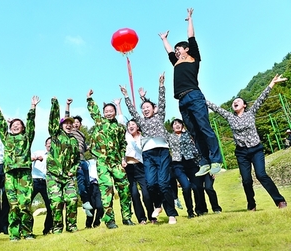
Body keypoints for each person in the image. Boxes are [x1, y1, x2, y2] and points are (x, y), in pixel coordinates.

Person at [206, 74, 288, 210]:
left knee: (261, 175)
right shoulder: (230, 117)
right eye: (234, 101)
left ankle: (279, 201)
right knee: (246, 180)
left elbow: (262, 98)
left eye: (238, 101)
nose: (235, 102)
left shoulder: (251, 113)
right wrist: (199, 97)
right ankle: (251, 205)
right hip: (241, 152)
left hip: (256, 149)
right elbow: (216, 108)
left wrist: (272, 83)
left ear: (244, 105)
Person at [158, 8, 222, 177]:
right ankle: (204, 162)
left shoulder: (194, 57)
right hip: (182, 100)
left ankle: (216, 159)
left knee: (204, 128)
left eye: (179, 49)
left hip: (194, 95)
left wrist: (190, 19)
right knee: (193, 132)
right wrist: (165, 40)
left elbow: (191, 37)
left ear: (186, 50)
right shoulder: (176, 62)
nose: (177, 51)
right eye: (176, 49)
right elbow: (169, 51)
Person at [120, 73, 178, 225]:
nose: (145, 110)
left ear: (154, 109)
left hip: (163, 152)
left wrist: (161, 85)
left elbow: (162, 101)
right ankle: (158, 206)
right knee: (151, 184)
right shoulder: (141, 122)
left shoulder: (159, 117)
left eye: (148, 107)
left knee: (164, 183)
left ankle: (171, 214)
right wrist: (126, 95)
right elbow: (132, 111)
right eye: (143, 108)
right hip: (148, 154)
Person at [0, 95, 40, 240]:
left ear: (23, 127)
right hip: (10, 175)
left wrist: (33, 107)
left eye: (18, 124)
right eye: (13, 124)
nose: (15, 126)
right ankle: (14, 234)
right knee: (13, 205)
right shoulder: (6, 137)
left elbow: (31, 123)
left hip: (24, 174)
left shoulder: (27, 137)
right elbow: (1, 123)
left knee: (25, 204)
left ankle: (27, 232)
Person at [87, 90, 134, 229]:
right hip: (102, 163)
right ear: (103, 113)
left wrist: (123, 159)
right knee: (107, 191)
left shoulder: (120, 128)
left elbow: (122, 145)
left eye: (111, 110)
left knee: (125, 189)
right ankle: (110, 221)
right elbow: (93, 111)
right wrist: (89, 98)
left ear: (114, 112)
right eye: (106, 111)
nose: (108, 113)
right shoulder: (99, 122)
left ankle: (127, 218)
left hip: (116, 163)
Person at [114, 98, 155, 225]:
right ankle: (141, 219)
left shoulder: (143, 137)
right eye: (129, 125)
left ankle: (152, 216)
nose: (130, 126)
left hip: (141, 167)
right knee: (134, 194)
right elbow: (121, 120)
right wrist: (118, 105)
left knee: (146, 194)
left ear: (138, 126)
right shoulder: (126, 136)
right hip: (128, 168)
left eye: (133, 125)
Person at [47, 97, 80, 233]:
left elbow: (77, 159)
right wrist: (55, 104)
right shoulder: (55, 135)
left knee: (72, 200)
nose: (68, 125)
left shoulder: (74, 141)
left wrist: (73, 170)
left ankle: (72, 226)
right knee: (57, 202)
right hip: (53, 176)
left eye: (70, 124)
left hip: (68, 176)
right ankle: (57, 228)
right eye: (65, 123)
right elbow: (53, 120)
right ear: (60, 126)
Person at [166, 118, 200, 219]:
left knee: (196, 187)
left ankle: (199, 209)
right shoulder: (170, 137)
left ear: (183, 126)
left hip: (191, 162)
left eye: (179, 123)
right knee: (186, 187)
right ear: (172, 127)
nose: (177, 125)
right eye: (174, 124)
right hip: (177, 165)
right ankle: (190, 211)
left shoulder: (188, 134)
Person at [65, 99, 93, 217]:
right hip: (75, 161)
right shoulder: (70, 132)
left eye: (78, 122)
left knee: (87, 183)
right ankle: (85, 202)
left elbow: (85, 148)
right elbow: (66, 117)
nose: (75, 124)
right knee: (80, 182)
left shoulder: (81, 135)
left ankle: (87, 203)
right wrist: (68, 105)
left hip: (83, 160)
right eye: (74, 122)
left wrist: (91, 146)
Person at [31, 137, 53, 235]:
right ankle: (27, 230)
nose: (50, 145)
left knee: (50, 206)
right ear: (45, 145)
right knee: (26, 205)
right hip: (34, 180)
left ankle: (47, 229)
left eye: (52, 143)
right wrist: (36, 158)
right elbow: (29, 158)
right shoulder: (39, 152)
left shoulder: (55, 156)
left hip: (46, 182)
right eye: (48, 143)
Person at [85, 159, 103, 228]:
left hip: (99, 185)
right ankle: (88, 225)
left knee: (100, 206)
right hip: (90, 186)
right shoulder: (87, 163)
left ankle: (97, 222)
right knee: (91, 207)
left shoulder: (101, 161)